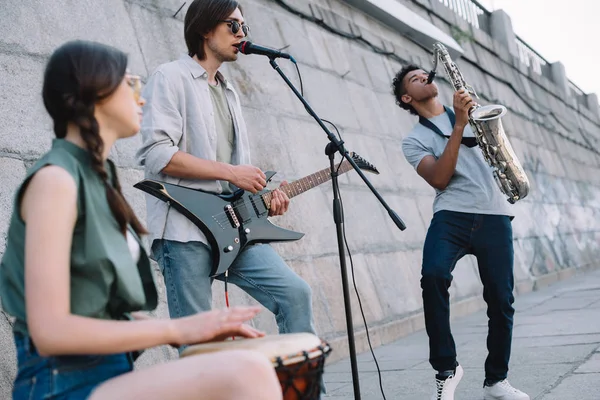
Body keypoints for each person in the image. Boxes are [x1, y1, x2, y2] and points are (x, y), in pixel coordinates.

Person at [0, 39, 283, 400]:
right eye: (131, 83)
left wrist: (193, 328)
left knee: (246, 365)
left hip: (109, 376)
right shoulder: (55, 181)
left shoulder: (95, 179)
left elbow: (102, 316)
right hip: (65, 386)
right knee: (246, 373)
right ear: (95, 91)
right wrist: (177, 331)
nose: (143, 97)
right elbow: (50, 331)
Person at [136, 0, 317, 344]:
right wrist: (233, 172)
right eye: (233, 25)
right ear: (205, 28)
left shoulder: (229, 91)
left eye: (244, 27)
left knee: (295, 294)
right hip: (183, 229)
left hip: (235, 225)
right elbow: (158, 154)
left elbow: (234, 175)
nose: (241, 34)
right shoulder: (170, 77)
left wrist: (264, 199)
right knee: (201, 344)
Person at [392, 65, 530, 400]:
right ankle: (447, 369)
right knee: (433, 276)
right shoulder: (414, 140)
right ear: (407, 97)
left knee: (501, 299)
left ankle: (496, 382)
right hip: (451, 214)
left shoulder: (472, 112)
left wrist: (473, 117)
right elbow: (439, 178)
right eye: (415, 78)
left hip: (494, 213)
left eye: (426, 73)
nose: (425, 76)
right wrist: (458, 124)